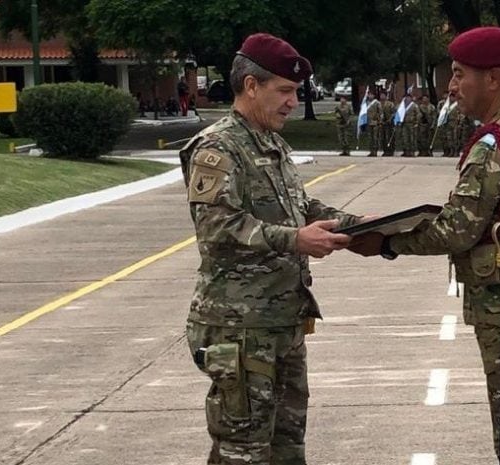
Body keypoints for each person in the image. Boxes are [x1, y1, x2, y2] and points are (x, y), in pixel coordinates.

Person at [350, 26, 500, 465]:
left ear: (492, 79)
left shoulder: (496, 142)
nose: (450, 87)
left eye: (457, 74)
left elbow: (457, 229)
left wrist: (387, 241)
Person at [179, 33, 363, 465]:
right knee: (241, 452)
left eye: (295, 93)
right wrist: (296, 240)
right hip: (241, 331)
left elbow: (298, 208)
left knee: (286, 448)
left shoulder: (272, 144)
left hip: (282, 323)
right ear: (250, 87)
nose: (291, 103)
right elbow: (217, 225)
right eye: (284, 91)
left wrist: (360, 224)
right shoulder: (218, 147)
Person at [366, 89, 383, 157]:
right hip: (369, 122)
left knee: (375, 138)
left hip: (375, 123)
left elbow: (381, 113)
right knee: (370, 138)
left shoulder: (377, 103)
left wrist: (380, 121)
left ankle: (375, 151)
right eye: (369, 94)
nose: (370, 96)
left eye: (371, 94)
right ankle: (371, 151)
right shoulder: (366, 103)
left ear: (374, 95)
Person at [380, 90, 396, 156]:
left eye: (383, 95)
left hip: (389, 123)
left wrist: (390, 119)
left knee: (389, 137)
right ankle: (385, 150)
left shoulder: (390, 104)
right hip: (382, 123)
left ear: (386, 96)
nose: (382, 96)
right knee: (383, 138)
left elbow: (394, 113)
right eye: (381, 95)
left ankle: (391, 151)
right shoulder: (379, 104)